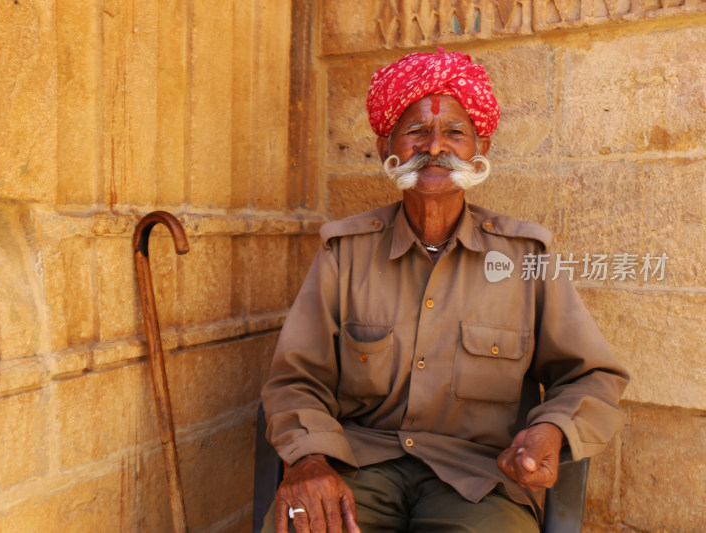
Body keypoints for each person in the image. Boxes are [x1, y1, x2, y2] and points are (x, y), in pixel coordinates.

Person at [261, 47, 629, 533]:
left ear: (481, 148)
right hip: (356, 467)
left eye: (455, 132)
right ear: (384, 146)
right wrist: (308, 461)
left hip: (478, 481)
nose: (434, 146)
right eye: (415, 131)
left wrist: (553, 430)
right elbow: (295, 379)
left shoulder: (527, 256)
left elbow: (591, 375)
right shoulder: (343, 252)